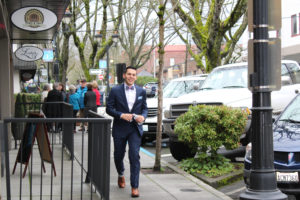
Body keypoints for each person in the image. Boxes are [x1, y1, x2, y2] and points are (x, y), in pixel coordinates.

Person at [106, 66, 148, 198]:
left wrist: (144, 116)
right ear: (124, 75)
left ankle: (135, 186)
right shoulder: (115, 90)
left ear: (136, 77)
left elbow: (144, 108)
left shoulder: (141, 91)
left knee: (134, 156)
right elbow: (109, 108)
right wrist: (120, 115)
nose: (131, 77)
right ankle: (120, 174)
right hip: (120, 128)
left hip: (135, 129)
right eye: (129, 74)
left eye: (134, 75)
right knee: (118, 155)